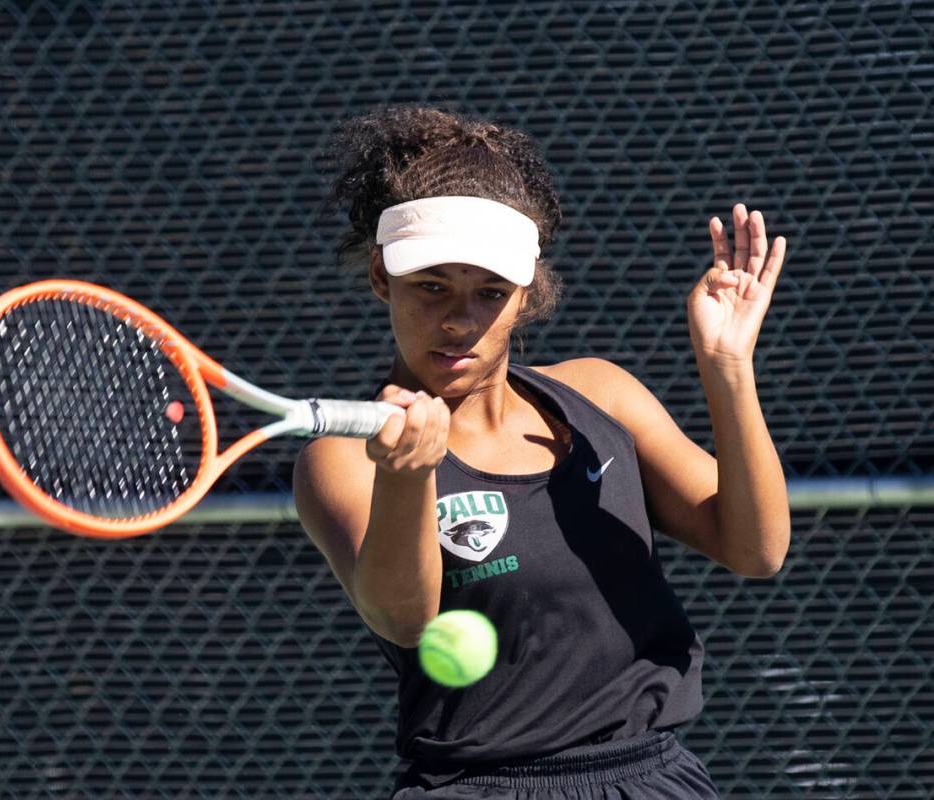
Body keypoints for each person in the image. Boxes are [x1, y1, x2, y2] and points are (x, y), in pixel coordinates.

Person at [293, 106, 790, 799]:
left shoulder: (601, 395)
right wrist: (407, 478)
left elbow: (755, 548)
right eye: (430, 286)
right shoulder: (343, 458)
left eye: (488, 293)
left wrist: (727, 365)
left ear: (525, 295)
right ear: (383, 279)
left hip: (654, 779)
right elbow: (403, 619)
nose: (459, 320)